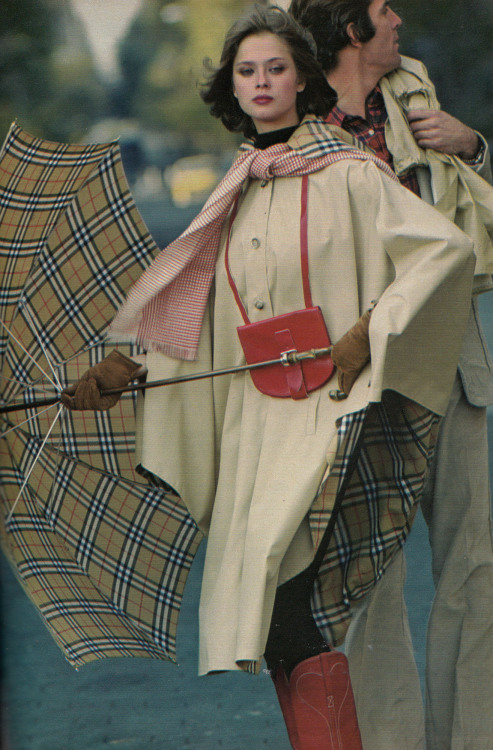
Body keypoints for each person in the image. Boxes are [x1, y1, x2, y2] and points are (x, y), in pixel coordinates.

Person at [62, 6, 476, 749]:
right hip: (264, 430)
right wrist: (131, 364)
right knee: (284, 621)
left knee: (302, 613)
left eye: (275, 68)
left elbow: (442, 252)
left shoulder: (350, 171)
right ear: (230, 86)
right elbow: (206, 306)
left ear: (302, 80)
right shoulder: (241, 186)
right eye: (245, 71)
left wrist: (368, 332)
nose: (259, 82)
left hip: (338, 419)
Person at [289, 1, 493, 748]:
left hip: (450, 354)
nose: (398, 17)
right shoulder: (298, 126)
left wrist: (472, 147)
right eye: (382, 8)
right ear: (350, 29)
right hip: (361, 370)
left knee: (473, 566)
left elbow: (464, 213)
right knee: (369, 578)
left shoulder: (414, 93)